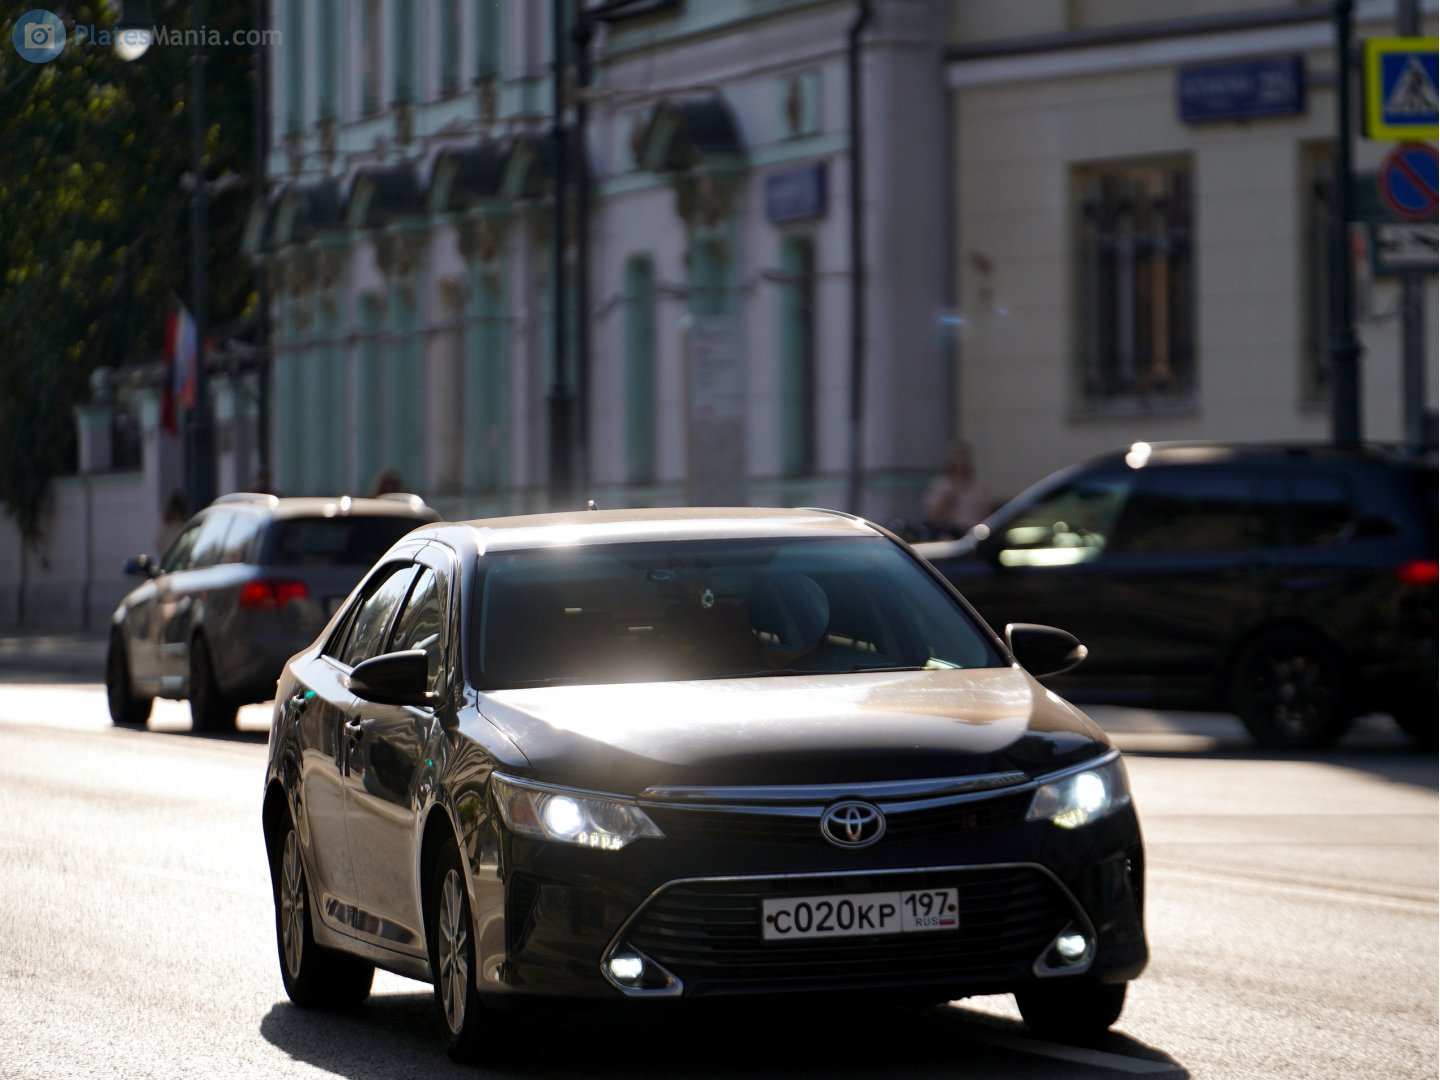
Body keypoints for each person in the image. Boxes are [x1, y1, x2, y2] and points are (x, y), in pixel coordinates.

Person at [921, 440, 992, 540]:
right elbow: (931, 518)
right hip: (948, 533)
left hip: (973, 534)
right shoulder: (941, 484)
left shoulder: (979, 485)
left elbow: (987, 514)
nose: (961, 459)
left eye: (964, 455)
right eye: (958, 455)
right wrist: (946, 503)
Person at [153, 490, 188, 559]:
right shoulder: (165, 525)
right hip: (169, 558)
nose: (177, 514)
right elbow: (158, 543)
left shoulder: (184, 525)